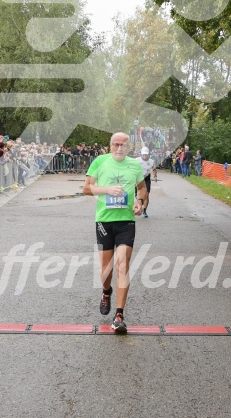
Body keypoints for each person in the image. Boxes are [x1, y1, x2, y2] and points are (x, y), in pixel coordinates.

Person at [83, 132, 147, 333]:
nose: (119, 148)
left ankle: (119, 315)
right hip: (104, 221)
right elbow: (86, 188)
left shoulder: (135, 165)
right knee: (106, 270)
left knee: (122, 264)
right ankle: (106, 291)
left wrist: (139, 202)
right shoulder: (100, 162)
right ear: (109, 146)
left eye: (123, 145)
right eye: (116, 144)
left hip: (126, 222)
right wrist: (107, 190)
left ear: (129, 147)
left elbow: (143, 189)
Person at [136, 147, 157, 218]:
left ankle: (144, 210)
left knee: (146, 195)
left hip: (147, 178)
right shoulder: (137, 160)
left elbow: (154, 169)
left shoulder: (151, 161)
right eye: (143, 154)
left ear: (148, 154)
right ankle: (139, 205)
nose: (144, 156)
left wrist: (155, 176)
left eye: (146, 154)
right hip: (138, 179)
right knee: (138, 196)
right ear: (141, 154)